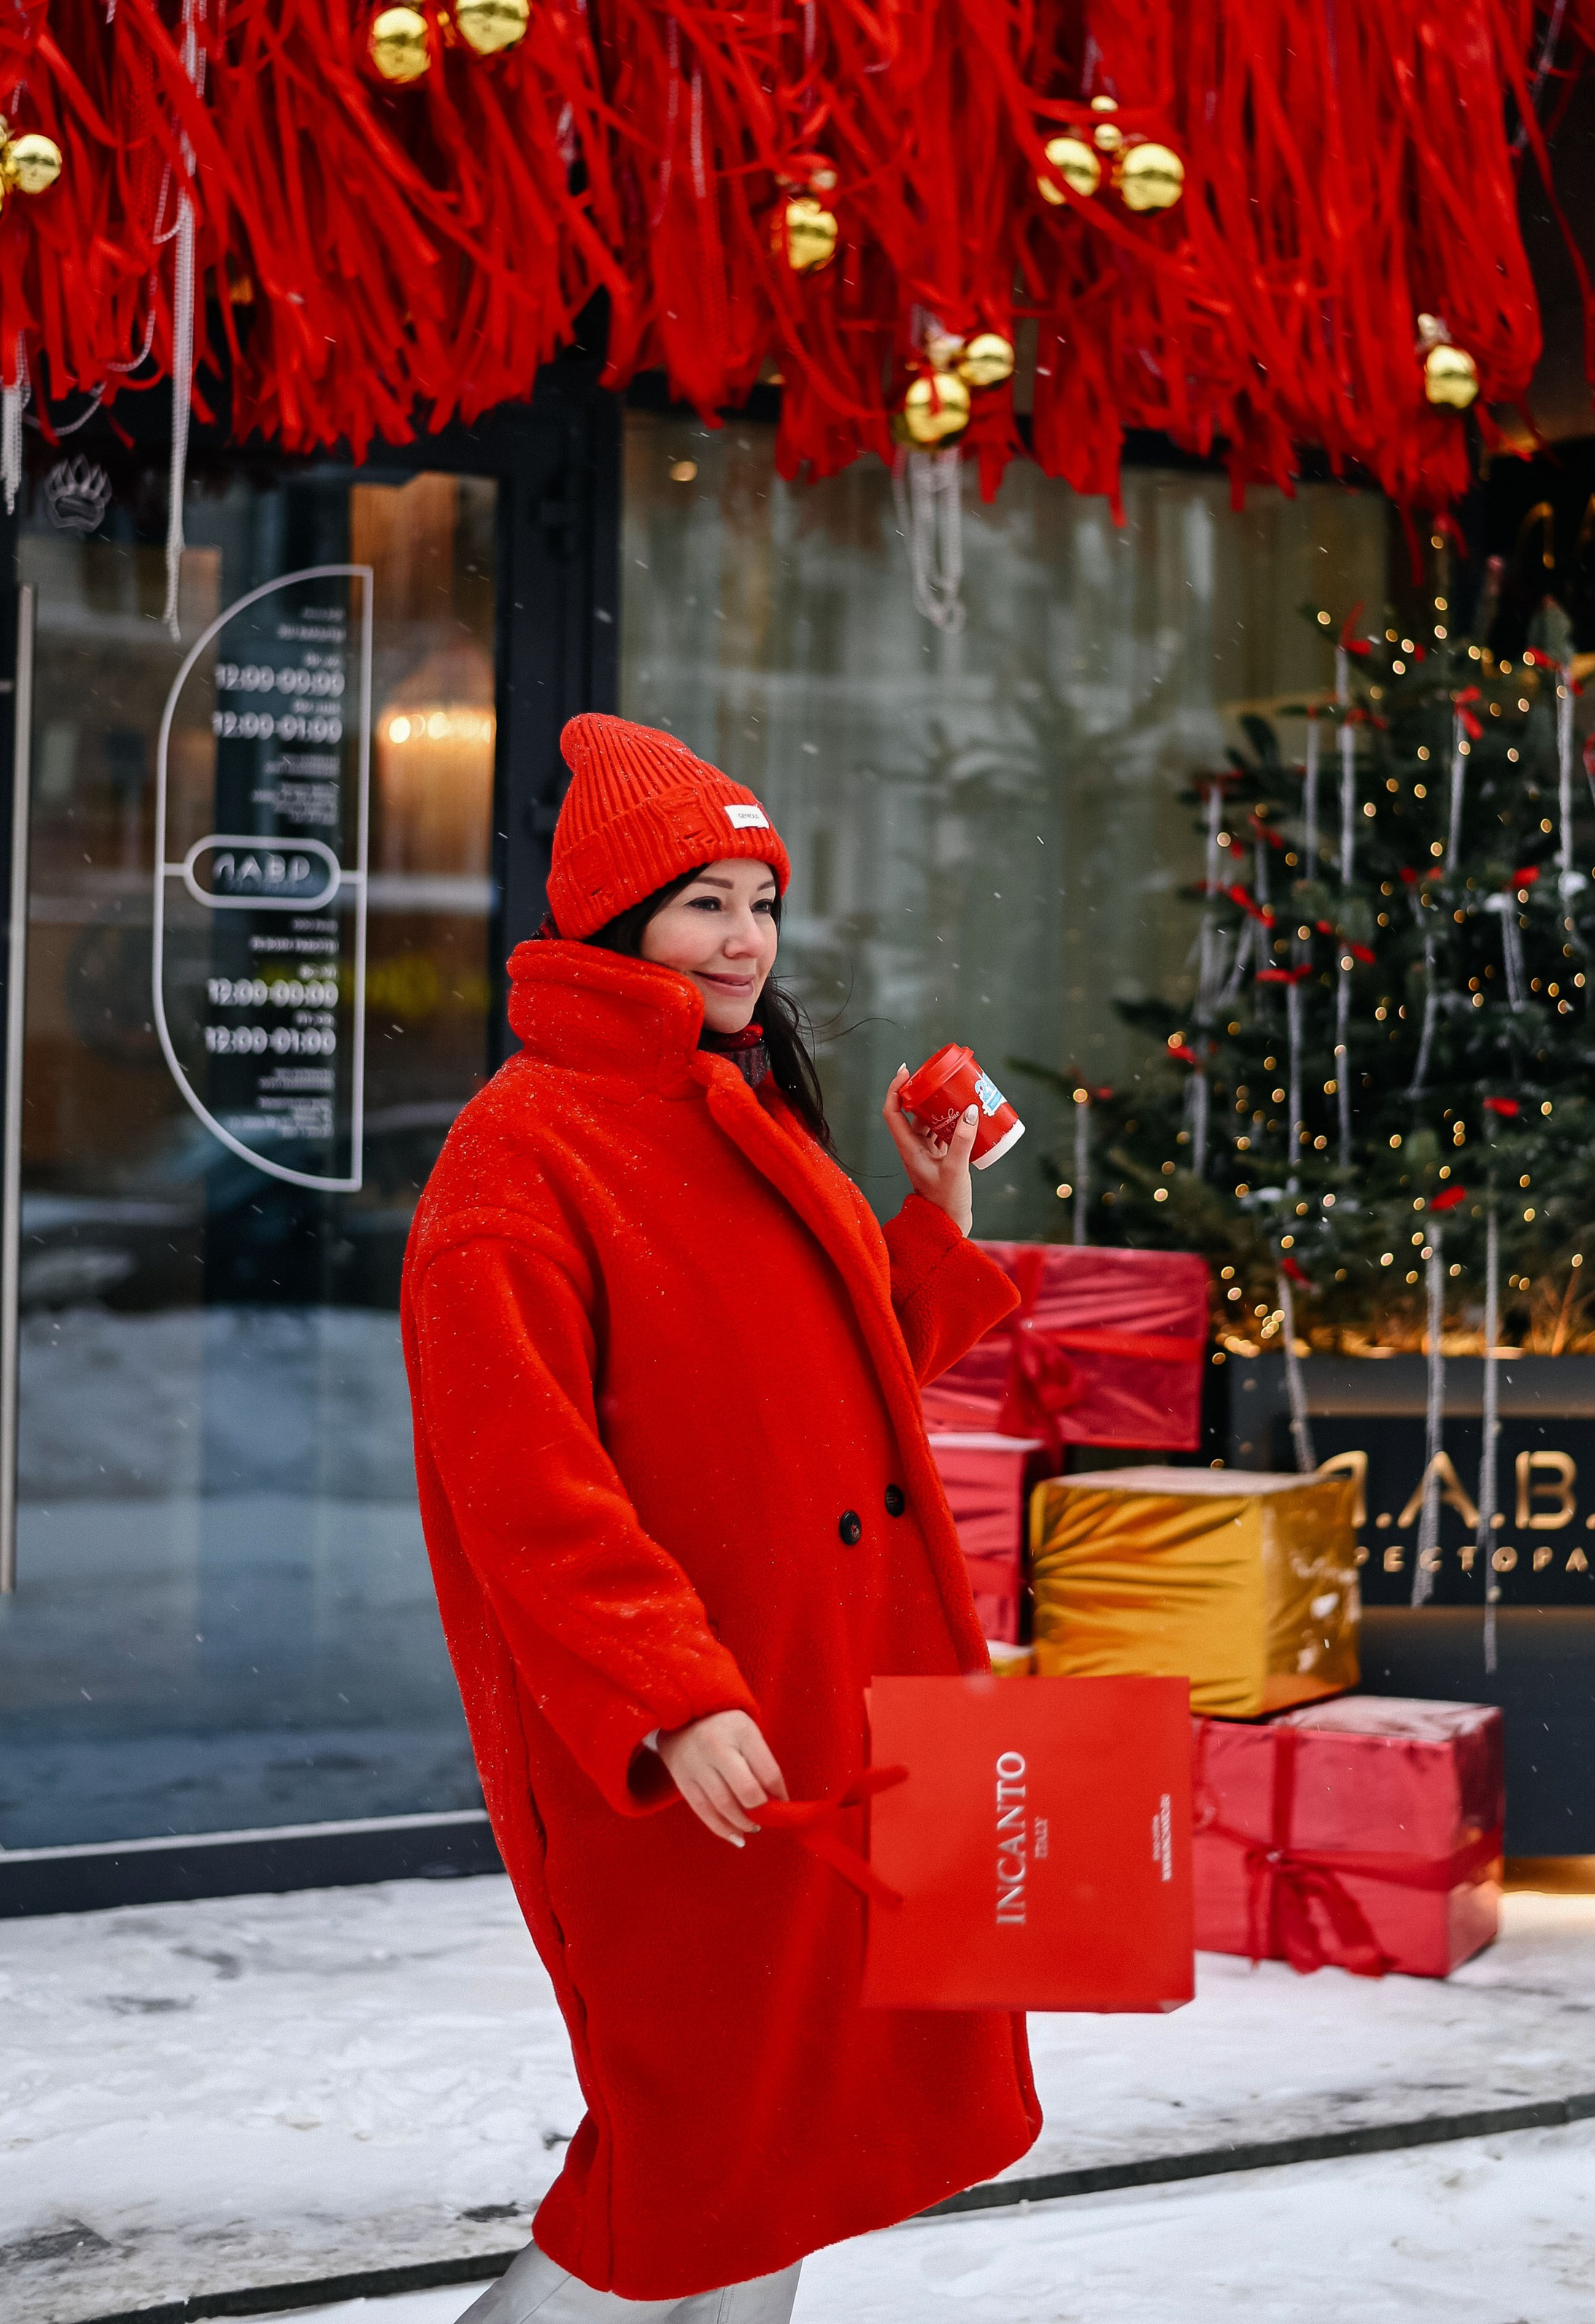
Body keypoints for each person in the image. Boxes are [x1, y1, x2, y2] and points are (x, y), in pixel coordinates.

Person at [401, 714, 1040, 2323]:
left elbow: (815, 1398)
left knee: (791, 2127)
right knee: (690, 2143)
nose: (746, 938)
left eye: (761, 901)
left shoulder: (737, 1103)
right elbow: (523, 1484)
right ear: (615, 919)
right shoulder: (519, 1156)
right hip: (690, 1732)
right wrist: (671, 1694)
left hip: (820, 1701)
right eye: (704, 903)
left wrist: (931, 1225)